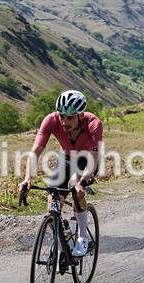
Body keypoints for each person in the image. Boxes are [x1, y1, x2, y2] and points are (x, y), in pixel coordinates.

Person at [18, 90, 103, 257]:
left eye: (70, 118)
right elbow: (35, 152)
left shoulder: (94, 123)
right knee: (53, 201)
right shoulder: (51, 120)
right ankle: (63, 243)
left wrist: (82, 183)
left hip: (87, 159)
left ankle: (83, 237)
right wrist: (27, 179)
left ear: (80, 116)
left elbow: (92, 160)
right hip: (65, 158)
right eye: (62, 116)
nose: (64, 122)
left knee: (73, 185)